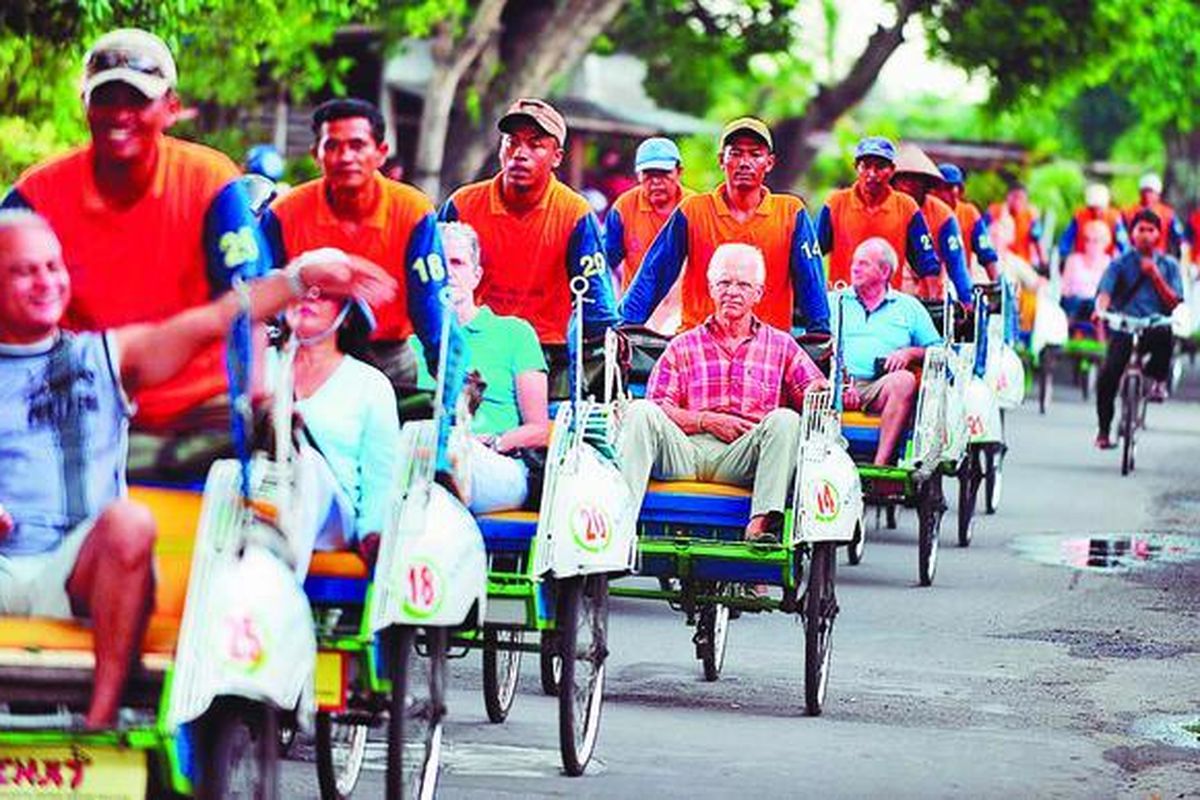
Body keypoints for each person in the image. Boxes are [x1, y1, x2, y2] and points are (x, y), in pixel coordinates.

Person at [0, 209, 393, 728]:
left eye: (53, 267)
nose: (47, 282)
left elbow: (218, 318)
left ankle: (99, 723)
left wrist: (301, 278)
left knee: (130, 522)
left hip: (77, 570)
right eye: (26, 271)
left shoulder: (107, 356)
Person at [0, 28, 271, 437]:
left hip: (197, 408)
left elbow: (248, 300)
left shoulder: (210, 181)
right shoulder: (38, 193)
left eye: (138, 100)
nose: (120, 114)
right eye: (106, 99)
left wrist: (256, 398)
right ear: (86, 105)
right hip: (78, 405)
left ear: (171, 108)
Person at [619, 243, 827, 544]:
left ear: (758, 293)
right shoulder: (682, 345)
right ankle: (620, 523)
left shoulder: (781, 345)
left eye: (743, 285)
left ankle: (759, 527)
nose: (733, 291)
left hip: (743, 455)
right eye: (724, 283)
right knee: (640, 411)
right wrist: (707, 421)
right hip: (686, 450)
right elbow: (660, 407)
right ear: (711, 288)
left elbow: (813, 389)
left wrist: (823, 389)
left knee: (785, 420)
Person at [267, 98, 452, 403]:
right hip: (306, 355)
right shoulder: (285, 212)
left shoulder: (412, 210)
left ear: (381, 153)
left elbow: (430, 304)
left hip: (387, 358)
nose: (345, 157)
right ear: (316, 154)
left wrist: (448, 380)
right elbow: (259, 290)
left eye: (357, 145)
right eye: (333, 146)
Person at [620, 117, 830, 335]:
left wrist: (821, 335)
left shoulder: (790, 213)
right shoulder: (693, 210)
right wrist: (623, 327)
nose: (744, 162)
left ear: (769, 162)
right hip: (699, 344)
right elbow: (655, 273)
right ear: (722, 160)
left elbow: (811, 284)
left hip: (766, 350)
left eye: (755, 154)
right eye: (736, 153)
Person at [439, 98, 618, 345]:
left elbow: (597, 306)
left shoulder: (575, 214)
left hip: (546, 350)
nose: (520, 154)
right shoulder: (463, 204)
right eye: (512, 142)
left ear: (556, 157)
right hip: (473, 342)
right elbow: (431, 279)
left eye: (535, 145)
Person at [411, 222, 551, 512]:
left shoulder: (514, 333)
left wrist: (494, 442)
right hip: (423, 458)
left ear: (476, 276)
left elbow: (539, 429)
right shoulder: (410, 343)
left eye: (457, 262)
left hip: (498, 463)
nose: (448, 272)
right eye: (439, 262)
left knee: (450, 449)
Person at [285, 285, 399, 574]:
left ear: (346, 316)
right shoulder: (264, 369)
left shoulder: (369, 384)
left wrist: (373, 534)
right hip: (265, 494)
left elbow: (382, 476)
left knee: (307, 465)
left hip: (333, 515)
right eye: (301, 287)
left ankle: (279, 595)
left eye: (323, 293)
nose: (309, 297)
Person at [834, 238, 943, 466]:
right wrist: (840, 385)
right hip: (836, 385)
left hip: (879, 387)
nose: (854, 268)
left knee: (904, 380)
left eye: (863, 263)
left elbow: (939, 350)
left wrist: (909, 353)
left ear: (884, 271)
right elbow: (814, 347)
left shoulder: (908, 307)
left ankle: (881, 464)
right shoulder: (835, 301)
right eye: (855, 262)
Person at [1092, 209, 1183, 447]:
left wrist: (1155, 275)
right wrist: (1099, 310)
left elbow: (1174, 301)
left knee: (1166, 336)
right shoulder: (1120, 264)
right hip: (1126, 326)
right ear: (1132, 234)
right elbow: (1105, 292)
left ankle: (1156, 382)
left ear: (1158, 235)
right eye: (1140, 229)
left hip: (1154, 326)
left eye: (1150, 230)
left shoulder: (1169, 265)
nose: (1145, 235)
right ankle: (1104, 431)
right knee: (1107, 377)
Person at [816, 136, 942, 292]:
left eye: (880, 167)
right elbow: (813, 252)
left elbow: (927, 262)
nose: (872, 174)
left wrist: (936, 305)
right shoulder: (835, 204)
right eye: (866, 166)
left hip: (887, 304)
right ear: (856, 167)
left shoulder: (907, 207)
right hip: (844, 301)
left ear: (892, 170)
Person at [604, 136, 693, 333]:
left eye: (663, 174)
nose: (656, 182)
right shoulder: (624, 208)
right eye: (648, 175)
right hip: (637, 316)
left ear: (679, 172)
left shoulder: (694, 207)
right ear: (638, 175)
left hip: (684, 313)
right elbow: (603, 264)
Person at [889, 144, 974, 302]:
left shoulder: (943, 216)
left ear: (926, 183)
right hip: (887, 290)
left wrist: (966, 300)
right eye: (904, 179)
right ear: (893, 182)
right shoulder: (883, 209)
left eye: (915, 180)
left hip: (929, 293)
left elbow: (956, 265)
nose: (908, 185)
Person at [934, 163, 999, 282]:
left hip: (960, 283)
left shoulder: (969, 213)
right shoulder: (925, 211)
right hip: (930, 282)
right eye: (943, 187)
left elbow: (986, 252)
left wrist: (996, 283)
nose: (951, 192)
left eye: (952, 187)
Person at [1059, 183, 1129, 262]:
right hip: (1082, 261)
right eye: (1092, 208)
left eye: (1099, 208)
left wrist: (1124, 260)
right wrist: (1064, 255)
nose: (1096, 212)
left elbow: (1123, 242)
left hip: (1106, 262)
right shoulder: (1079, 216)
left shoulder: (1114, 218)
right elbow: (1067, 239)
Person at [986, 181, 1046, 270]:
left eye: (1021, 198)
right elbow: (982, 233)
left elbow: (1037, 239)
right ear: (1008, 196)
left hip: (1023, 263)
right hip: (1000, 260)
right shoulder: (995, 211)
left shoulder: (1030, 215)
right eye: (1015, 197)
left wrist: (1043, 262)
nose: (1017, 201)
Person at [1060, 220, 1112, 321]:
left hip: (1096, 307)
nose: (1090, 244)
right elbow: (1064, 290)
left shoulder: (1110, 264)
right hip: (1074, 304)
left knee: (1096, 307)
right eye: (1087, 240)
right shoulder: (1073, 260)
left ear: (1105, 243)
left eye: (1095, 241)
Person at [1123, 173, 1183, 257]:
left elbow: (1179, 238)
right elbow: (1121, 239)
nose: (1147, 195)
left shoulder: (1168, 214)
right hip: (1134, 258)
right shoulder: (1128, 212)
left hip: (1159, 257)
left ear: (1158, 194)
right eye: (1145, 191)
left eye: (1151, 191)